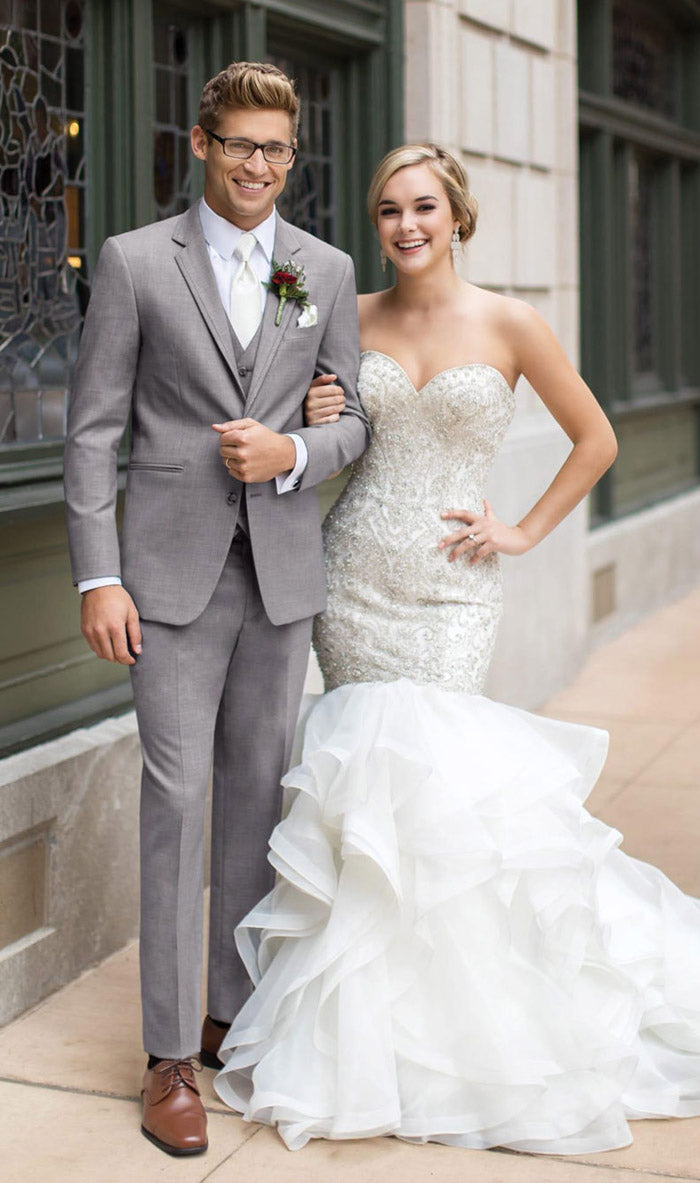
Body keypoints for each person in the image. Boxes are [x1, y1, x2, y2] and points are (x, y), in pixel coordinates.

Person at [212, 143, 700, 1154]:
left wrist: (518, 530)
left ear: (457, 215)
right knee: (366, 797)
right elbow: (324, 433)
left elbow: (596, 438)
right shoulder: (350, 317)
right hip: (354, 580)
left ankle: (465, 1030)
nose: (405, 226)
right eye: (388, 209)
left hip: (451, 590)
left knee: (436, 790)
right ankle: (372, 1034)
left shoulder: (510, 321)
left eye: (423, 206)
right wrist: (320, 415)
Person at [63, 61, 370, 1158]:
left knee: (254, 801)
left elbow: (355, 419)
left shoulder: (319, 269)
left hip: (280, 576)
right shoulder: (139, 261)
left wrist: (298, 446)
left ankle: (230, 1021)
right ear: (200, 145)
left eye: (275, 150)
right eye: (238, 144)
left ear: (293, 159)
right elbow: (95, 431)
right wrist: (100, 575)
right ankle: (166, 1060)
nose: (256, 166)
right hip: (168, 577)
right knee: (176, 799)